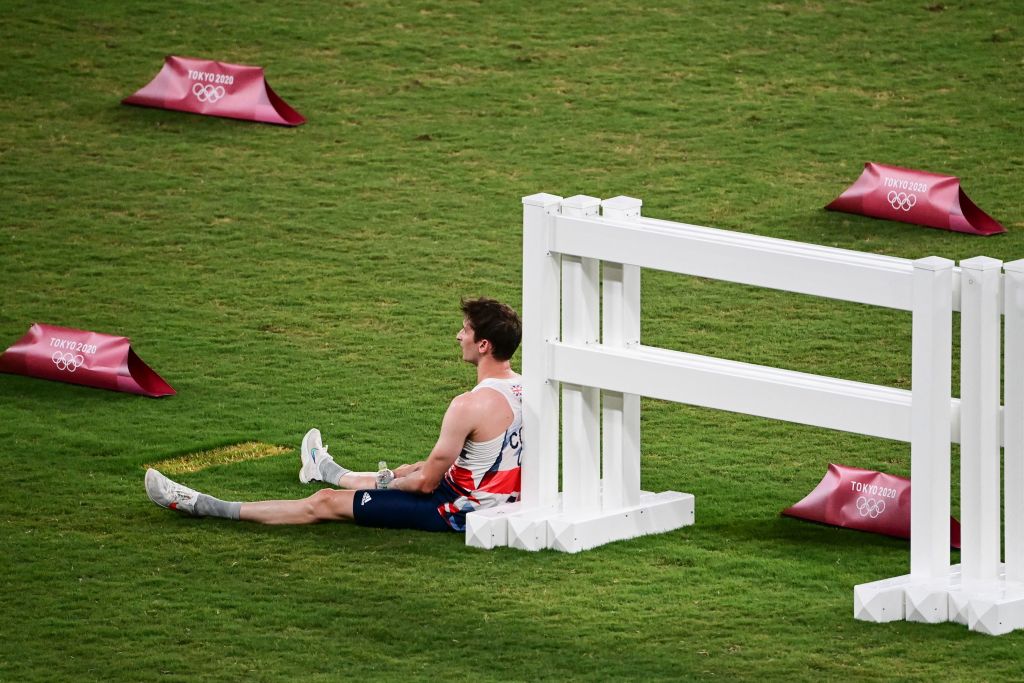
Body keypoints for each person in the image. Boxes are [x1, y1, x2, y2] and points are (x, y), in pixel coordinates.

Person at [144, 297, 523, 532]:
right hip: (492, 496)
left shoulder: (467, 404)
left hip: (455, 509)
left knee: (324, 503)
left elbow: (426, 486)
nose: (458, 336)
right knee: (412, 469)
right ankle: (327, 469)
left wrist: (386, 484)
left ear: (484, 345)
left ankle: (202, 506)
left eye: (466, 330)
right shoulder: (528, 388)